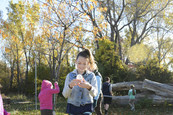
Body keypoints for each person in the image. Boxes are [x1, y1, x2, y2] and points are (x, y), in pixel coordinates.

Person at [62, 49, 98, 115]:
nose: (81, 66)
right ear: (76, 62)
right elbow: (65, 95)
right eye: (79, 63)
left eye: (84, 64)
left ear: (88, 64)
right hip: (72, 108)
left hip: (87, 107)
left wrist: (89, 86)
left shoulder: (92, 76)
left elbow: (95, 94)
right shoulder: (70, 76)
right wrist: (70, 86)